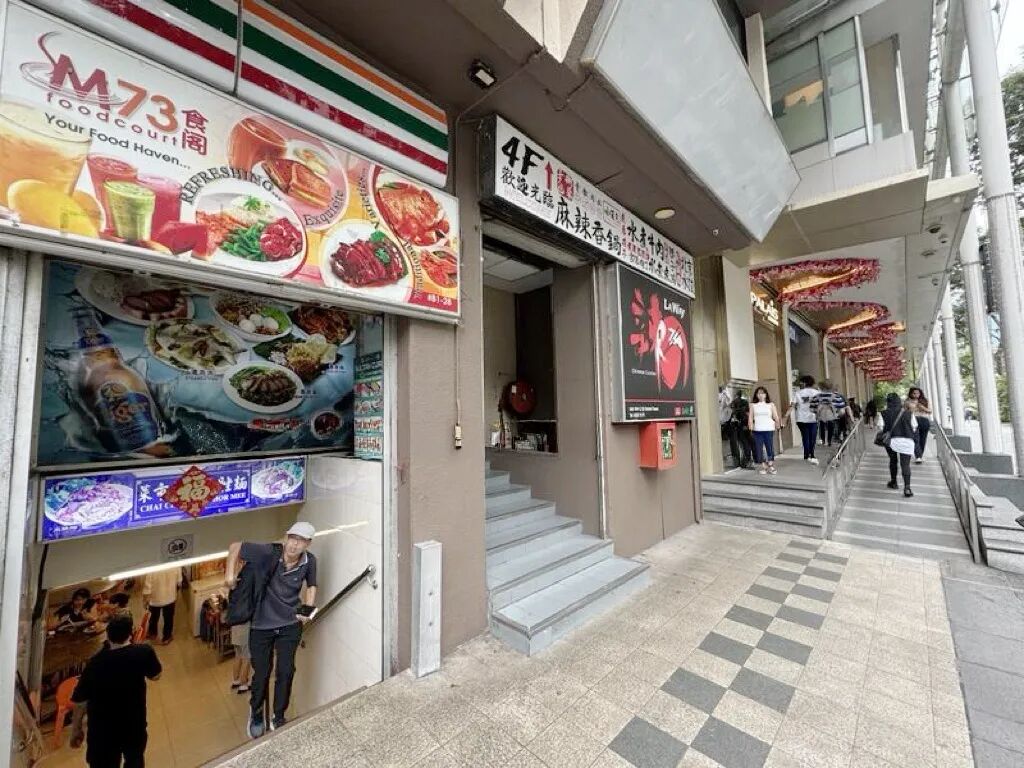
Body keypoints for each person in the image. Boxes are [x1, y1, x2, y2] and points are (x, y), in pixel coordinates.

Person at [226, 522, 318, 738]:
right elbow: (235, 546)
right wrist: (229, 575)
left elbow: (312, 585)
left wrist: (307, 609)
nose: (294, 544)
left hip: (289, 624)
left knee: (286, 671)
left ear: (308, 544)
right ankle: (257, 711)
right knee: (262, 673)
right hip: (261, 625)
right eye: (292, 538)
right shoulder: (269, 552)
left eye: (301, 541)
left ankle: (278, 715)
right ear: (286, 537)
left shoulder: (310, 560)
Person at [69, 612, 162, 768]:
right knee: (134, 761)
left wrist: (76, 730)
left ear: (108, 635)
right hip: (133, 724)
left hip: (103, 731)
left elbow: (80, 701)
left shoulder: (95, 664)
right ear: (130, 633)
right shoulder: (143, 652)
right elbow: (156, 675)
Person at [880, 392, 917, 497]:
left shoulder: (883, 413)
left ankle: (894, 482)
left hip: (891, 441)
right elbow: (914, 426)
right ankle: (907, 488)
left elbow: (881, 427)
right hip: (907, 441)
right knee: (905, 465)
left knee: (893, 460)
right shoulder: (908, 413)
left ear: (888, 402)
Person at [229, 559, 253, 695]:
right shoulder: (246, 591)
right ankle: (244, 683)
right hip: (245, 625)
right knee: (247, 656)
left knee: (238, 654)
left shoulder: (233, 588)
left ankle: (235, 680)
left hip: (235, 625)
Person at [785, 375, 820, 464]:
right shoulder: (817, 393)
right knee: (812, 437)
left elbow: (792, 406)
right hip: (813, 418)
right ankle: (812, 454)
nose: (800, 384)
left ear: (804, 383)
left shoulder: (798, 393)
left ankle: (806, 455)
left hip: (801, 419)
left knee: (805, 437)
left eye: (801, 382)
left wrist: (785, 416)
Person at [142, 567, 181, 645]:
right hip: (170, 598)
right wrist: (173, 592)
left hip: (155, 600)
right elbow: (179, 582)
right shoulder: (176, 565)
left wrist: (145, 601)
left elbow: (147, 587)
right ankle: (167, 637)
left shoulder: (152, 567)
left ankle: (152, 633)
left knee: (153, 618)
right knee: (168, 619)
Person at [748, 386, 781, 475]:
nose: (761, 395)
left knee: (769, 447)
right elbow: (750, 418)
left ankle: (771, 465)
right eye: (759, 393)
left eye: (762, 393)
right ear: (756, 395)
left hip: (769, 429)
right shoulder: (753, 405)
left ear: (766, 395)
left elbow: (775, 416)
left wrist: (778, 425)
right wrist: (750, 428)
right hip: (757, 430)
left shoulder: (771, 405)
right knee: (759, 449)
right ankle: (764, 467)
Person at [812, 381, 849, 447]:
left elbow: (812, 408)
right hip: (832, 417)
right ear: (831, 387)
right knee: (832, 427)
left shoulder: (816, 397)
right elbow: (842, 410)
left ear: (821, 387)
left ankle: (823, 440)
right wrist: (837, 414)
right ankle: (830, 441)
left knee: (822, 427)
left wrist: (817, 413)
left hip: (821, 417)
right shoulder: (836, 397)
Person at [729, 390, 755, 469]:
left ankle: (747, 461)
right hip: (745, 426)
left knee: (744, 444)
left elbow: (735, 415)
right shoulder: (744, 404)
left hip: (742, 426)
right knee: (746, 444)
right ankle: (748, 460)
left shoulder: (737, 406)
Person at [906, 386, 931, 464]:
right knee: (915, 439)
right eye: (914, 393)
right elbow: (905, 413)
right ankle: (918, 456)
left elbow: (930, 411)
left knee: (923, 440)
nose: (916, 394)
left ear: (920, 394)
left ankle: (920, 456)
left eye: (918, 393)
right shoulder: (907, 402)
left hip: (924, 421)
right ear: (911, 394)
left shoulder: (924, 401)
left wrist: (922, 407)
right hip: (914, 421)